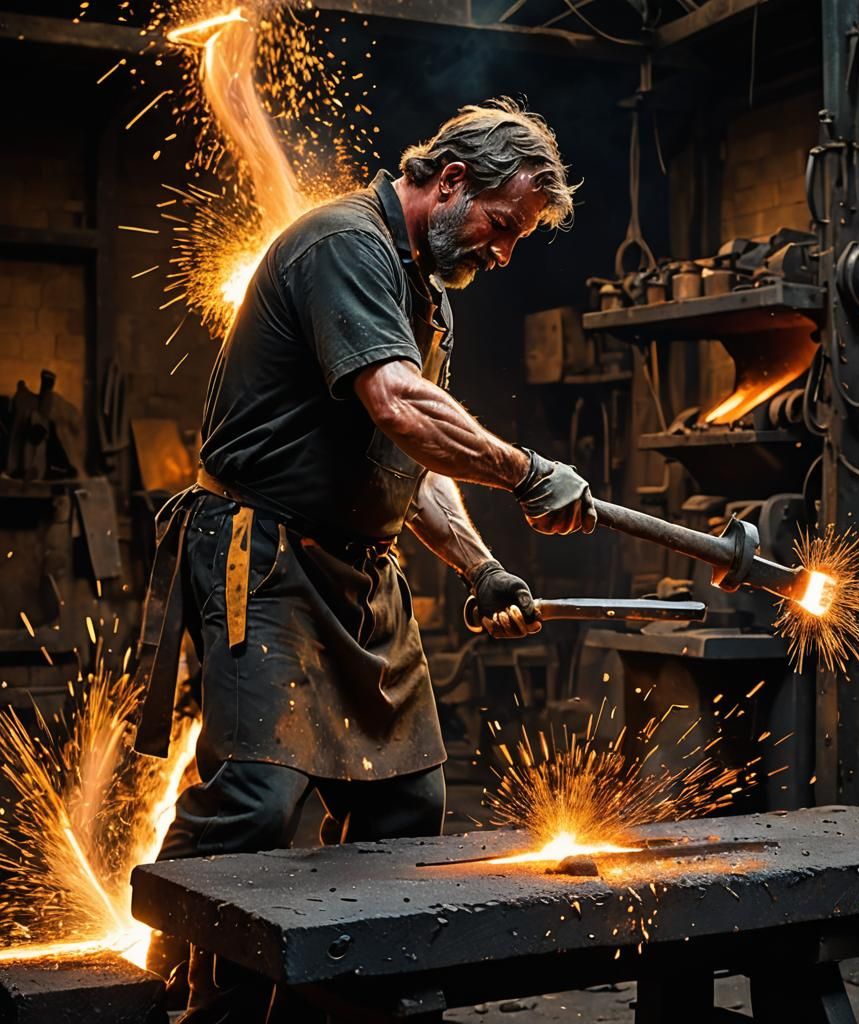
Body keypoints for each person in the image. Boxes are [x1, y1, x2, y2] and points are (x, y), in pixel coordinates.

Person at [132, 98, 595, 1020]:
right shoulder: (345, 245)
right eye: (502, 228)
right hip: (260, 558)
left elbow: (409, 459)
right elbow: (399, 405)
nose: (502, 254)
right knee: (257, 803)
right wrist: (528, 471)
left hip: (359, 577)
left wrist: (480, 567)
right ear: (453, 181)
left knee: (405, 805)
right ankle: (167, 996)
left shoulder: (427, 294)